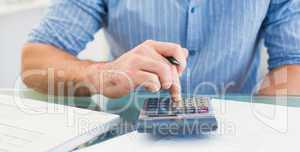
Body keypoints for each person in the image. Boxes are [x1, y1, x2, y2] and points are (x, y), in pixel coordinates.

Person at [21, 0, 300, 101]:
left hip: (234, 141)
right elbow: (35, 59)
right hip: (125, 139)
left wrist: (255, 133)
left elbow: (294, 63)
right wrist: (104, 74)